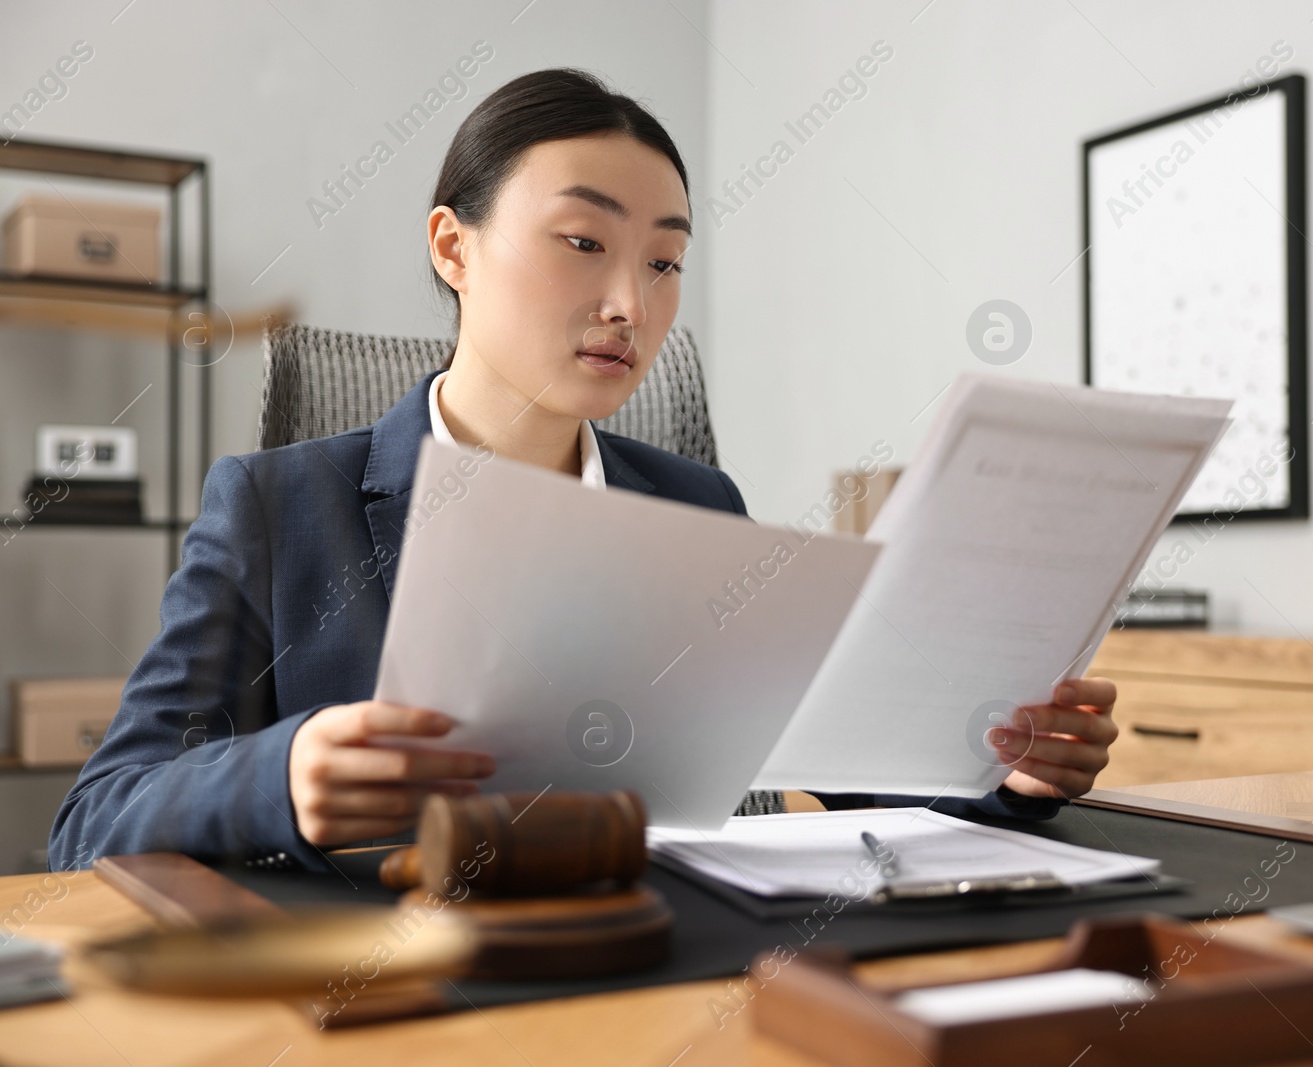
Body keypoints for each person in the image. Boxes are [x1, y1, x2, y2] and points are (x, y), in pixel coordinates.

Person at [48, 69, 1118, 873]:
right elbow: (95, 817)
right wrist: (278, 776)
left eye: (663, 261)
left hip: (665, 979)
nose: (630, 304)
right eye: (580, 242)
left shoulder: (697, 502)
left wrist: (1003, 773)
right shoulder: (277, 509)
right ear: (451, 247)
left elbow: (840, 762)